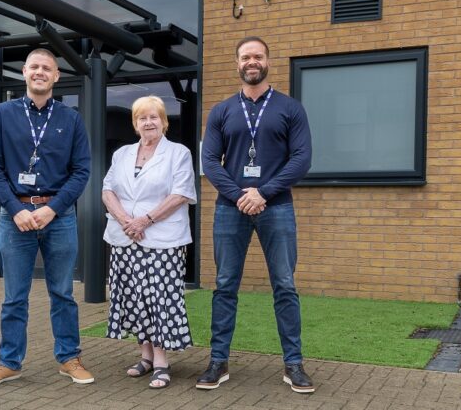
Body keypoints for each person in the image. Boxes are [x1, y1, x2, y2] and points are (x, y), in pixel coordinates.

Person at [198, 35, 314, 394]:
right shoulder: (221, 111)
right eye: (246, 57)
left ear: (267, 62)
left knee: (284, 286)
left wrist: (262, 192)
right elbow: (209, 163)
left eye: (258, 56)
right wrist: (240, 196)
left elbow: (302, 159)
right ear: (237, 63)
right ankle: (218, 361)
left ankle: (293, 364)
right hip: (229, 210)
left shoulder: (289, 108)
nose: (252, 62)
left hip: (276, 207)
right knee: (225, 286)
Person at [0, 48, 93, 390]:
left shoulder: (71, 119)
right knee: (14, 296)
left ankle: (69, 357)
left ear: (56, 76)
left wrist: (52, 208)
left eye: (47, 68)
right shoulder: (1, 115)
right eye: (34, 67)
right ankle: (9, 363)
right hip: (15, 218)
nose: (40, 72)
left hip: (59, 216)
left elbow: (82, 170)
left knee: (63, 293)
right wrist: (17, 210)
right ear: (25, 73)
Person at [102, 96, 197, 389]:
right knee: (135, 297)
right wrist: (125, 221)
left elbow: (180, 193)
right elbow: (107, 190)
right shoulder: (122, 154)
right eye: (142, 118)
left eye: (154, 117)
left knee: (160, 298)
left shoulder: (178, 153)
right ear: (135, 124)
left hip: (162, 238)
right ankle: (144, 357)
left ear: (164, 121)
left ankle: (161, 361)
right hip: (125, 238)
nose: (148, 122)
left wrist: (144, 220)